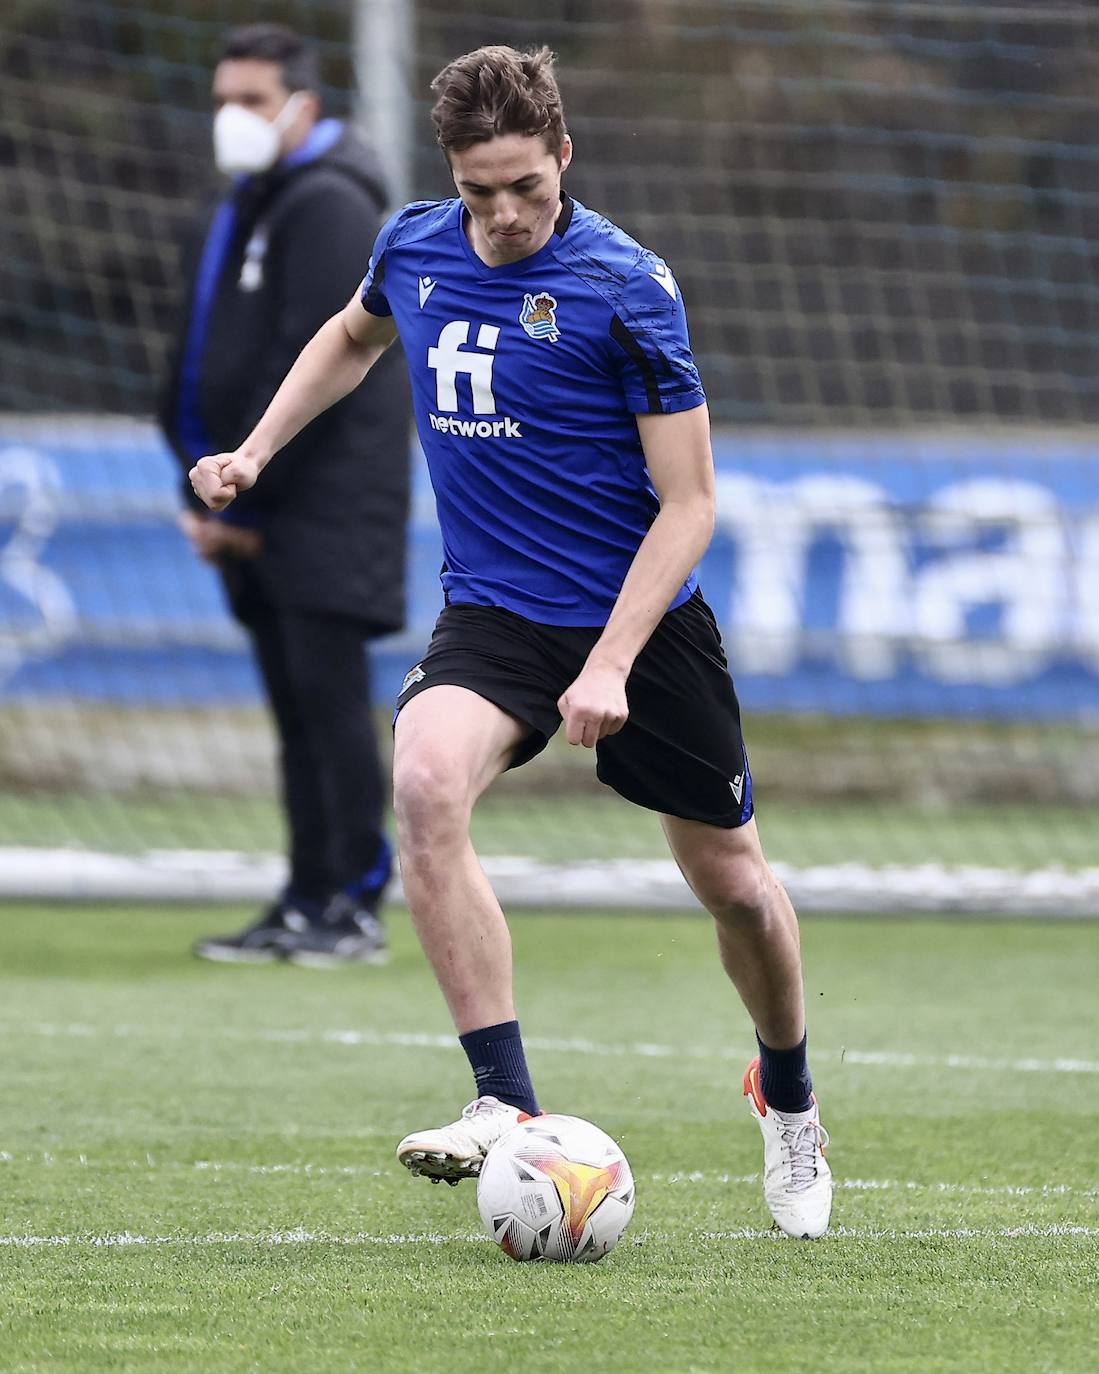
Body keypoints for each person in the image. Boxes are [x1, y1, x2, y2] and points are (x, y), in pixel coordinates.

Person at [189, 45, 833, 1237]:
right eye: (480, 191)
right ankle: (503, 1100)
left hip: (636, 623)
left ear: (564, 158)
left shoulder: (627, 286)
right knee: (425, 784)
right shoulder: (415, 243)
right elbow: (349, 335)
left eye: (525, 189)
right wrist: (256, 450)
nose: (501, 217)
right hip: (492, 614)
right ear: (453, 175)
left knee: (734, 886)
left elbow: (689, 504)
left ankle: (786, 1095)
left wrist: (608, 663)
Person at [160, 24, 411, 967]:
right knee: (295, 712)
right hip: (246, 507)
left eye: (253, 100)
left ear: (304, 105)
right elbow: (198, 355)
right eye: (224, 98)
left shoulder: (332, 208)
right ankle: (306, 892)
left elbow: (310, 368)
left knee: (331, 705)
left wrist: (250, 502)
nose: (234, 118)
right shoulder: (241, 204)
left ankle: (352, 899)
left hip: (318, 510)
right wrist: (208, 493)